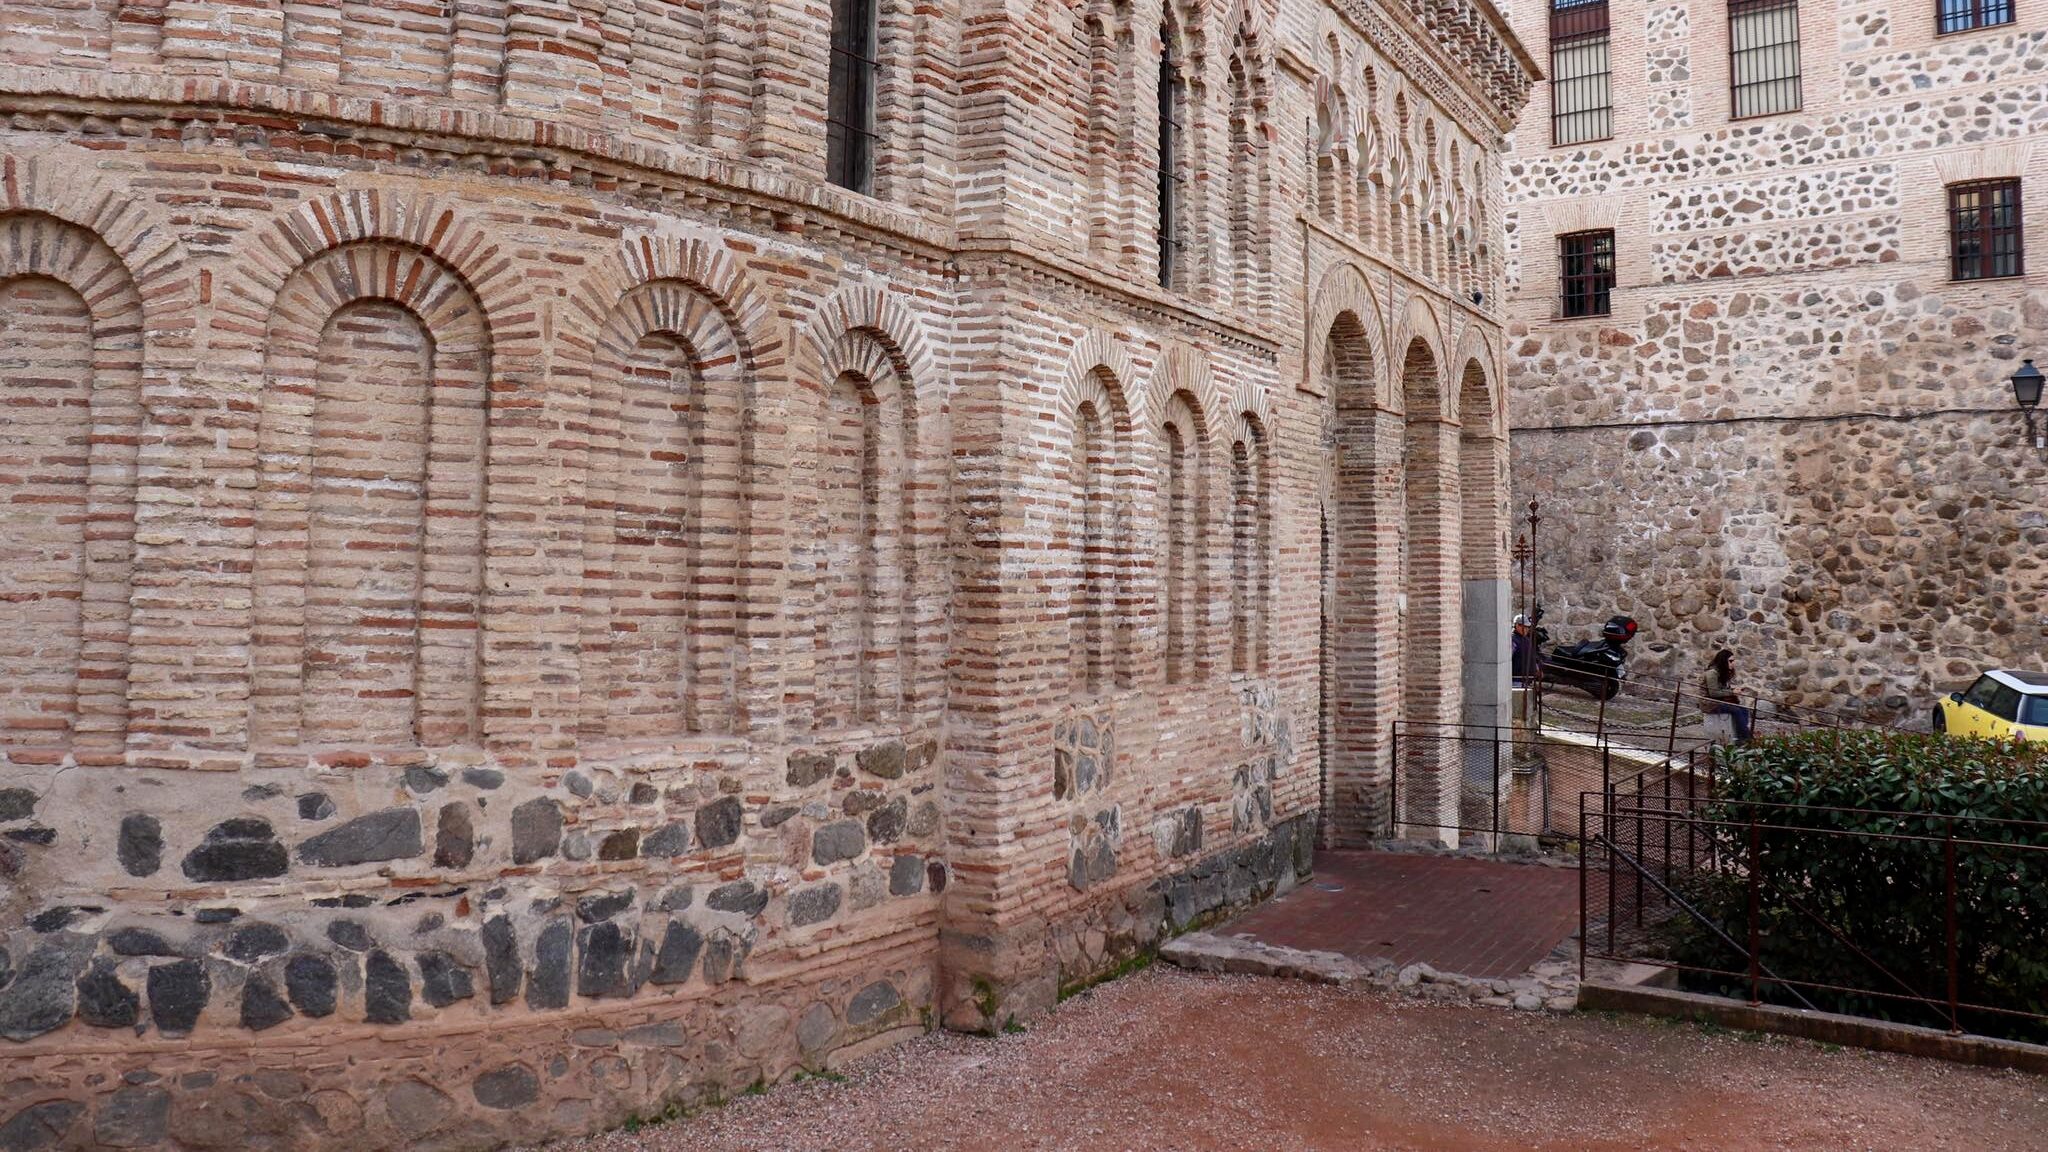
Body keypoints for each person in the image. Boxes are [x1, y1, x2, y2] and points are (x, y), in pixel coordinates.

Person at [1701, 648, 1753, 742]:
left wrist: (1734, 690)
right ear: (1723, 661)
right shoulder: (1712, 673)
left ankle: (1741, 736)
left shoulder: (1721, 673)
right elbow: (1713, 693)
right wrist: (1732, 692)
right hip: (1710, 704)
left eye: (1733, 661)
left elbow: (1722, 689)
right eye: (1730, 661)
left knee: (1744, 710)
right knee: (1736, 710)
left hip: (1719, 701)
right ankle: (1746, 738)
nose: (1733, 663)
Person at [1510, 614, 1536, 685]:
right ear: (1517, 625)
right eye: (1525, 627)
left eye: (1528, 627)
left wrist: (1536, 667)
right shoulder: (1513, 640)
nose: (1527, 629)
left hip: (1526, 680)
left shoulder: (1526, 639)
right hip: (1516, 680)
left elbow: (1531, 655)